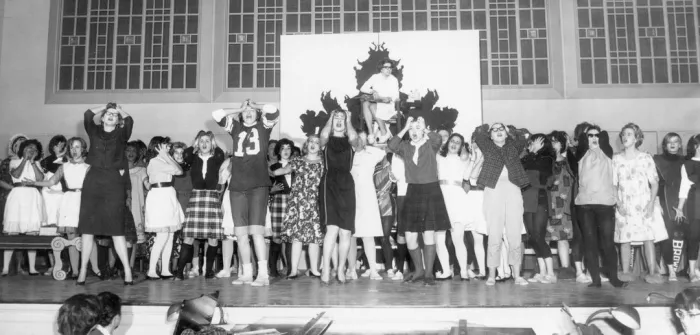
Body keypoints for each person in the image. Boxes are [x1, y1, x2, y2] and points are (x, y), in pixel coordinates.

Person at [213, 100, 279, 286]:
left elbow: (273, 110)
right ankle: (247, 273)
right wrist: (239, 109)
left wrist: (257, 105)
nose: (248, 112)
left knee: (257, 233)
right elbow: (217, 113)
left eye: (252, 111)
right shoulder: (235, 127)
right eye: (245, 111)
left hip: (258, 186)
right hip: (237, 187)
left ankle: (263, 274)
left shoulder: (263, 127)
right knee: (240, 234)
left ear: (257, 113)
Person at [76, 102, 134, 286]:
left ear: (118, 120)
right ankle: (83, 271)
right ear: (102, 117)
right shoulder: (93, 131)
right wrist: (105, 106)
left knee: (117, 229)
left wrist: (117, 109)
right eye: (108, 114)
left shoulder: (122, 134)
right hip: (93, 182)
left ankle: (127, 271)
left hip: (113, 182)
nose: (111, 116)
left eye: (114, 115)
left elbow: (130, 119)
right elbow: (87, 114)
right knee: (87, 229)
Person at [388, 117, 450, 286]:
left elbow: (438, 139)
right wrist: (405, 127)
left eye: (417, 128)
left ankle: (429, 274)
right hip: (412, 191)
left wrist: (425, 127)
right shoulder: (405, 147)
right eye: (411, 129)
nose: (414, 132)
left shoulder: (431, 145)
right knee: (410, 237)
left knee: (429, 234)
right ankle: (419, 271)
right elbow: (392, 145)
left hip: (431, 191)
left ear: (423, 130)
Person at [29, 137, 100, 278]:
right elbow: (50, 182)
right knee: (71, 237)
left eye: (78, 147)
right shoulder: (64, 167)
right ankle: (75, 271)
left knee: (89, 237)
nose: (74, 150)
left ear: (83, 149)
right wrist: (34, 183)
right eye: (72, 147)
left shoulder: (89, 167)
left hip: (84, 201)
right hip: (68, 201)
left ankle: (96, 269)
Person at [472, 122, 530, 286]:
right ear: (490, 136)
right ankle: (492, 274)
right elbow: (478, 132)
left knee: (514, 234)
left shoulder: (514, 147)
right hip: (493, 190)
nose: (498, 132)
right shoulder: (487, 147)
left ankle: (517, 275)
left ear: (506, 134)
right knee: (494, 234)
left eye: (501, 130)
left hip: (513, 190)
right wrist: (491, 126)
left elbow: (523, 135)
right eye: (495, 130)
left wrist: (509, 129)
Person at [613, 123, 666, 284]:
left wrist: (651, 204)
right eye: (623, 134)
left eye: (629, 134)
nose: (625, 137)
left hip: (643, 203)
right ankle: (626, 272)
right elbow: (613, 185)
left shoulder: (645, 158)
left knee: (648, 238)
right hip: (624, 204)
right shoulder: (616, 159)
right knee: (625, 239)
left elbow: (655, 183)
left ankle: (652, 272)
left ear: (636, 138)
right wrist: (618, 203)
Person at [575, 125, 626, 288]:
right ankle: (595, 280)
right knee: (590, 243)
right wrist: (586, 137)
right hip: (585, 206)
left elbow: (603, 137)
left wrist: (596, 134)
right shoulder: (581, 154)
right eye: (590, 135)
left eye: (597, 135)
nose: (594, 138)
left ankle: (614, 279)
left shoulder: (607, 153)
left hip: (605, 204)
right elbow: (583, 143)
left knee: (608, 243)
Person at [273, 135, 325, 279]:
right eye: (310, 142)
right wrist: (263, 168)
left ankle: (314, 269)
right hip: (298, 203)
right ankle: (293, 270)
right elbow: (280, 172)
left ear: (320, 146)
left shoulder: (324, 163)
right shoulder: (297, 161)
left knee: (315, 238)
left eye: (316, 142)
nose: (313, 144)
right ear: (306, 145)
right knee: (296, 238)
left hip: (315, 203)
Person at [176, 131, 226, 280]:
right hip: (196, 197)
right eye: (201, 141)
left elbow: (220, 152)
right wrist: (195, 142)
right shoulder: (193, 158)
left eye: (207, 141)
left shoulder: (217, 158)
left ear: (212, 144)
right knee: (189, 237)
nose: (204, 144)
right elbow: (186, 153)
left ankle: (208, 271)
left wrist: (211, 137)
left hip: (211, 197)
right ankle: (179, 272)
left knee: (213, 238)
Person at [319, 109, 359, 285]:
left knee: (346, 232)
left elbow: (353, 138)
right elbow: (324, 134)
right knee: (332, 230)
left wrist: (348, 119)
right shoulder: (326, 140)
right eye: (337, 117)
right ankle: (326, 268)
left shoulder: (351, 141)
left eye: (341, 118)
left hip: (347, 184)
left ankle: (341, 268)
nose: (339, 120)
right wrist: (331, 117)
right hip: (330, 183)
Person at [2, 139, 46, 276]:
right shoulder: (14, 162)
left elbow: (40, 178)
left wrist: (32, 162)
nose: (31, 150)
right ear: (23, 149)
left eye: (34, 149)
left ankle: (32, 268)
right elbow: (15, 175)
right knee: (12, 232)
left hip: (32, 196)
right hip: (17, 195)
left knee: (31, 232)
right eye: (28, 148)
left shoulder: (37, 163)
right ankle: (5, 268)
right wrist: (24, 160)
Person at [144, 136, 184, 280]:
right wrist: (166, 157)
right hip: (159, 197)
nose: (168, 148)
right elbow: (179, 171)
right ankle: (151, 270)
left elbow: (179, 169)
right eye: (165, 146)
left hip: (168, 195)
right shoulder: (155, 162)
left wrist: (166, 156)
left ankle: (166, 269)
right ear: (157, 147)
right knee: (162, 236)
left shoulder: (164, 160)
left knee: (170, 235)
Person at [349, 132, 386, 280]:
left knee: (368, 235)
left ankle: (373, 270)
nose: (359, 141)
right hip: (349, 197)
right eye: (356, 138)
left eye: (362, 139)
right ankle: (351, 269)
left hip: (367, 198)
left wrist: (371, 142)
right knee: (349, 235)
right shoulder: (347, 155)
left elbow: (385, 149)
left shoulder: (372, 153)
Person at [521, 134, 556, 284]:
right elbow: (521, 168)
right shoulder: (528, 157)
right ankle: (542, 272)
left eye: (536, 141)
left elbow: (540, 173)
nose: (532, 144)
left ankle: (551, 273)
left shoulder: (547, 158)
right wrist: (531, 152)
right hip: (526, 198)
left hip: (540, 197)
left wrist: (533, 152)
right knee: (532, 237)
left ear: (543, 143)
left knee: (539, 236)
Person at [436, 133, 471, 280]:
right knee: (439, 238)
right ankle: (446, 271)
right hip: (441, 196)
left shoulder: (464, 159)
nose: (454, 144)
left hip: (457, 197)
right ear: (447, 142)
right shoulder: (438, 157)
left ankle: (463, 271)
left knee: (458, 238)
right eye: (452, 141)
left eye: (458, 142)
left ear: (461, 146)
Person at [653, 133, 685, 281]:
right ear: (665, 145)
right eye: (669, 142)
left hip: (684, 201)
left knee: (691, 236)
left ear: (680, 144)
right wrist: (657, 203)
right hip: (666, 201)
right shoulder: (657, 160)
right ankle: (671, 270)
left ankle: (690, 269)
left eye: (676, 142)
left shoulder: (686, 161)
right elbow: (655, 184)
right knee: (667, 237)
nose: (672, 144)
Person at [546, 131, 577, 281]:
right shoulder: (545, 161)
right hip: (547, 205)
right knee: (544, 237)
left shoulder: (569, 160)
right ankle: (544, 269)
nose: (554, 144)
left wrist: (570, 146)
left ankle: (566, 269)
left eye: (556, 141)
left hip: (564, 205)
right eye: (551, 141)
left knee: (562, 238)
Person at [268, 138, 295, 278]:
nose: (286, 151)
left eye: (288, 148)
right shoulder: (272, 167)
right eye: (283, 148)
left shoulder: (297, 165)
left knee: (291, 238)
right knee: (276, 238)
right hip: (278, 202)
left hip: (294, 203)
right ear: (278, 151)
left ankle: (291, 270)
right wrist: (271, 190)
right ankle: (272, 270)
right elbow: (266, 187)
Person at [359, 59, 400, 144]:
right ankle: (371, 133)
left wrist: (387, 98)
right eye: (386, 67)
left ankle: (383, 131)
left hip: (388, 105)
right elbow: (362, 88)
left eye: (390, 67)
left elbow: (396, 96)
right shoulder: (375, 77)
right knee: (366, 103)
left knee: (371, 106)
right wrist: (373, 91)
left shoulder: (394, 80)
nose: (389, 69)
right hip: (377, 103)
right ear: (381, 69)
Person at [678, 134, 700, 281]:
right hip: (695, 206)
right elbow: (684, 188)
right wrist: (680, 208)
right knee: (693, 238)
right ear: (696, 146)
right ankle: (692, 272)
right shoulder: (687, 165)